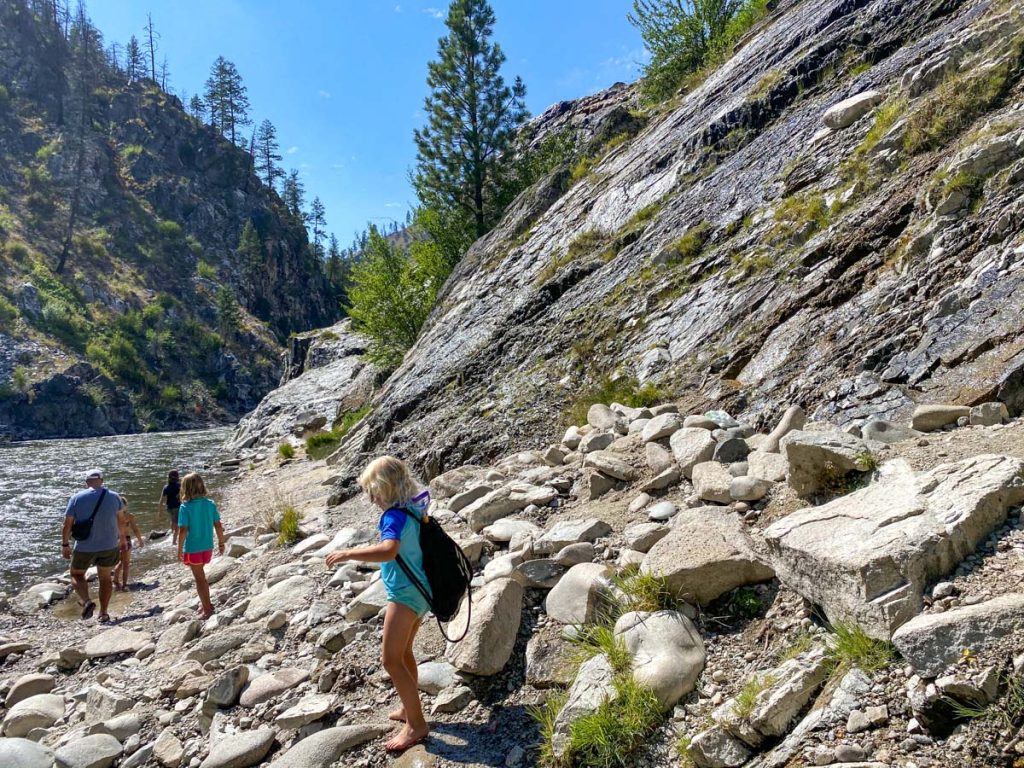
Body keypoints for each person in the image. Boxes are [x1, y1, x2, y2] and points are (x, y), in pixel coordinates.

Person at [325, 455, 431, 752]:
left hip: (405, 594)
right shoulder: (414, 506)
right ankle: (408, 709)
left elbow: (388, 550)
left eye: (373, 491)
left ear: (385, 489)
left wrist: (348, 554)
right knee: (405, 652)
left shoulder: (393, 517)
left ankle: (416, 725)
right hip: (421, 589)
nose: (371, 498)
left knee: (390, 660)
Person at [62, 468, 128, 623]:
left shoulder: (76, 498)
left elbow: (67, 524)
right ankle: (103, 613)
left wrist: (65, 544)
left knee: (77, 574)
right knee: (105, 577)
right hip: (109, 545)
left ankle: (86, 601)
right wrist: (123, 539)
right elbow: (121, 520)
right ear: (102, 481)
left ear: (86, 482)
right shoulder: (114, 497)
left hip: (84, 547)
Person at [177, 472, 225, 619]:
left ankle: (207, 608)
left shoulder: (185, 507)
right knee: (202, 577)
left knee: (199, 578)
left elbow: (183, 529)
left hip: (193, 548)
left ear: (185, 489)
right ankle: (206, 603)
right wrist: (221, 542)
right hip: (207, 547)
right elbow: (218, 525)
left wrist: (179, 549)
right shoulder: (210, 504)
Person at [113, 494, 144, 591]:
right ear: (126, 505)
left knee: (120, 562)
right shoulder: (129, 516)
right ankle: (124, 585)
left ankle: (115, 580)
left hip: (114, 541)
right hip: (125, 540)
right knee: (125, 563)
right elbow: (135, 529)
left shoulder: (112, 516)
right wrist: (140, 540)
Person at [158, 470, 182, 545]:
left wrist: (160, 511)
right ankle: (174, 541)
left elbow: (161, 500)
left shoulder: (166, 487)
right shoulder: (179, 485)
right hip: (177, 507)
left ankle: (172, 532)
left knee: (173, 520)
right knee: (177, 524)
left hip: (169, 508)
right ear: (178, 477)